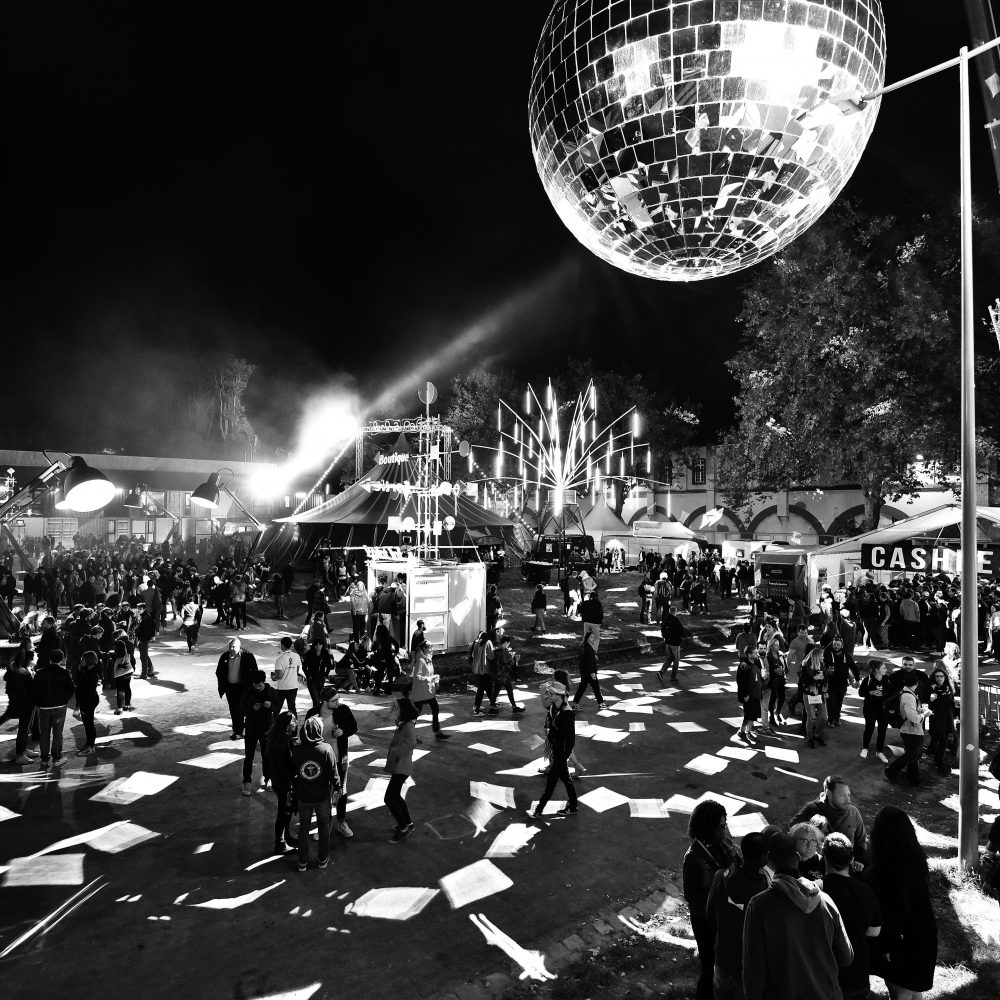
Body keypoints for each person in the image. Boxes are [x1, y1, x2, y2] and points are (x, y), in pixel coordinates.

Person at [742, 832, 853, 1000]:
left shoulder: (759, 906)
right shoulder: (825, 901)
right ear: (797, 857)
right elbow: (846, 957)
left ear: (769, 860)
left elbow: (753, 969)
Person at [863, 806, 938, 999]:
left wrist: (888, 947)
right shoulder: (918, 862)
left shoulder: (883, 872)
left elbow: (894, 913)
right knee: (914, 990)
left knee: (901, 992)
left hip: (899, 942)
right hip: (924, 935)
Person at [682, 800, 738, 1000]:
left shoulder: (724, 844)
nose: (726, 830)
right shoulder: (693, 857)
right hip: (705, 920)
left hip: (725, 914)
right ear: (709, 827)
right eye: (722, 826)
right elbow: (690, 895)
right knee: (709, 966)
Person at [705, 831, 769, 1000]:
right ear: (765, 857)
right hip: (747, 969)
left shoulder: (721, 877)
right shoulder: (764, 894)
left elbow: (710, 915)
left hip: (723, 960)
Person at [822, 832, 882, 1000]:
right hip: (858, 970)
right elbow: (874, 931)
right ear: (851, 859)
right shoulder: (866, 891)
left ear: (825, 858)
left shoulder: (820, 891)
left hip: (826, 972)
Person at [292, 714, 340, 870]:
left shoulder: (297, 749)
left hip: (303, 795)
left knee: (304, 828)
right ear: (319, 730)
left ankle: (302, 862)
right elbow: (334, 773)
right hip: (321, 797)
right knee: (323, 826)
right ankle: (322, 859)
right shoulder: (326, 749)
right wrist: (337, 788)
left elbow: (294, 771)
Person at [790, 776, 867, 864]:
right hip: (817, 866)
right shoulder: (812, 809)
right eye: (842, 795)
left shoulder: (853, 813)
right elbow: (793, 830)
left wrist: (859, 860)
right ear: (829, 793)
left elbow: (861, 840)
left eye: (848, 795)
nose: (848, 799)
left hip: (846, 865)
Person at [529, 681, 578, 818]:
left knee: (551, 782)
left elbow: (570, 739)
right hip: (557, 750)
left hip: (561, 753)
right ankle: (573, 806)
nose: (548, 696)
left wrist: (563, 756)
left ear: (559, 695)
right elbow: (550, 720)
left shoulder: (567, 714)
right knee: (566, 778)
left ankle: (539, 810)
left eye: (551, 694)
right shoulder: (554, 707)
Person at [317, 688, 359, 838]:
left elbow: (354, 727)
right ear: (325, 702)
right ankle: (326, 824)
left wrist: (343, 732)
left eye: (338, 698)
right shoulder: (315, 713)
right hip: (322, 759)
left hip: (341, 758)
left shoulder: (343, 710)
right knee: (323, 793)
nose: (338, 702)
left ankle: (341, 822)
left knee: (341, 790)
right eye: (334, 701)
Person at [884, 671, 931, 787]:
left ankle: (913, 780)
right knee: (912, 755)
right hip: (912, 731)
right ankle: (892, 771)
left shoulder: (906, 693)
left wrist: (921, 711)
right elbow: (912, 717)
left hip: (910, 730)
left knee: (914, 755)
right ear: (916, 684)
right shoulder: (909, 696)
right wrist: (924, 715)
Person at [32, 649, 76, 768]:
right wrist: (64, 699)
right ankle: (57, 758)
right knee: (57, 733)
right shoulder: (65, 672)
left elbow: (34, 690)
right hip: (60, 707)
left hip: (43, 707)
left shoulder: (40, 673)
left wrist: (38, 702)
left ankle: (44, 760)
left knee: (44, 733)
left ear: (50, 659)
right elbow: (71, 689)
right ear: (62, 659)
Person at [384, 697, 418, 843]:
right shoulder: (404, 724)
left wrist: (396, 753)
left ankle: (403, 827)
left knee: (389, 798)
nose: (394, 710)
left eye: (396, 708)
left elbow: (412, 742)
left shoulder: (408, 725)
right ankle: (408, 823)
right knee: (396, 796)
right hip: (401, 766)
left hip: (401, 767)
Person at [266, 711, 299, 854]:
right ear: (286, 725)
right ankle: (280, 844)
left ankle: (287, 837)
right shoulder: (282, 742)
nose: (296, 723)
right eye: (293, 721)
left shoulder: (280, 738)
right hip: (284, 783)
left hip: (280, 781)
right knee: (283, 812)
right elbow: (287, 765)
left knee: (286, 811)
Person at [240, 670, 275, 796]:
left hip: (266, 729)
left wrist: (270, 705)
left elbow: (277, 706)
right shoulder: (248, 692)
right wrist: (251, 708)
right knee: (249, 756)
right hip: (251, 728)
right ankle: (247, 781)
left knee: (267, 755)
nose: (258, 688)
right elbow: (241, 709)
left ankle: (268, 778)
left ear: (264, 682)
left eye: (260, 685)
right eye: (255, 685)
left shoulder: (270, 691)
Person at [215, 637, 259, 740]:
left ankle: (249, 730)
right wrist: (223, 686)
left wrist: (252, 687)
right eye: (229, 647)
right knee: (233, 710)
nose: (231, 649)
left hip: (243, 688)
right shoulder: (224, 657)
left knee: (245, 709)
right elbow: (219, 671)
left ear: (239, 647)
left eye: (233, 647)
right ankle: (237, 731)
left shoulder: (248, 656)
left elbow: (255, 672)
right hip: (230, 688)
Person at [409, 638, 451, 739]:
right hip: (420, 692)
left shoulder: (428, 660)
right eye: (430, 647)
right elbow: (417, 677)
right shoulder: (420, 660)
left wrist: (435, 680)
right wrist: (429, 679)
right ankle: (409, 735)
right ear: (424, 649)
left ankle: (437, 731)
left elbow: (429, 674)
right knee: (415, 714)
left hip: (428, 692)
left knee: (435, 708)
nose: (432, 649)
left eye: (432, 647)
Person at [6, 645, 38, 765]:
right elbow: (32, 689)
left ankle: (23, 750)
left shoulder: (15, 671)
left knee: (25, 728)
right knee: (24, 729)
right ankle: (20, 755)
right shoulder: (24, 674)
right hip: (27, 705)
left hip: (22, 703)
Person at [926, 662, 956, 775]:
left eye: (941, 676)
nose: (939, 678)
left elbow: (951, 703)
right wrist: (931, 700)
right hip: (936, 719)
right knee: (943, 742)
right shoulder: (931, 689)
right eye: (937, 676)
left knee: (942, 739)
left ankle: (932, 751)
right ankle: (939, 764)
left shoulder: (948, 689)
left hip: (947, 718)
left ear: (945, 677)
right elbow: (926, 704)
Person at [859, 658, 890, 763]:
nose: (886, 669)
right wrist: (871, 693)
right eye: (883, 668)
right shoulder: (868, 679)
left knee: (882, 730)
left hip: (883, 709)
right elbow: (861, 693)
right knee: (869, 728)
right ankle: (865, 748)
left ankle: (879, 751)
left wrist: (884, 695)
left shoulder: (887, 679)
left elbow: (890, 692)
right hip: (870, 708)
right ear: (876, 670)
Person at [823, 634, 858, 727]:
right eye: (834, 644)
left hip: (842, 684)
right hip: (830, 683)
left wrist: (857, 679)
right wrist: (826, 670)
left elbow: (854, 668)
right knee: (831, 703)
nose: (836, 646)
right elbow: (821, 666)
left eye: (838, 645)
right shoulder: (827, 654)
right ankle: (830, 719)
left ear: (842, 645)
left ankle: (837, 718)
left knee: (839, 702)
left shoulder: (846, 656)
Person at [736, 639, 767, 741]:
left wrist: (762, 677)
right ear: (749, 654)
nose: (757, 654)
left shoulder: (756, 663)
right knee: (748, 715)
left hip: (756, 694)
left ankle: (748, 731)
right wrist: (744, 695)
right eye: (755, 653)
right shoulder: (743, 666)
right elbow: (741, 682)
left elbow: (758, 676)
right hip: (748, 696)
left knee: (753, 715)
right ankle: (742, 731)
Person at [800, 647, 829, 749]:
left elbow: (825, 679)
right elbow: (802, 682)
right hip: (808, 694)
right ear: (816, 657)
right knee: (812, 718)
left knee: (824, 717)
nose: (823, 657)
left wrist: (825, 690)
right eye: (821, 656)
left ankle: (817, 734)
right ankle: (810, 738)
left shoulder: (822, 665)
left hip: (820, 694)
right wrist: (814, 678)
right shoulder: (805, 665)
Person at [271, 635, 304, 715]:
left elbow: (279, 676)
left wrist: (273, 677)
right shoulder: (297, 656)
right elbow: (296, 671)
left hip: (282, 687)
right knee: (292, 708)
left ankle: (274, 725)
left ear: (282, 646)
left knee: (277, 708)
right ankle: (294, 725)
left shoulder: (279, 659)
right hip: (293, 686)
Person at [571, 631, 605, 709]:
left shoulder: (585, 647)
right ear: (587, 639)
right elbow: (589, 663)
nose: (593, 639)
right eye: (591, 637)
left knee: (582, 688)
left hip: (585, 673)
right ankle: (601, 704)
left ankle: (575, 704)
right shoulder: (588, 649)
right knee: (596, 688)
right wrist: (592, 673)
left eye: (593, 637)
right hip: (589, 673)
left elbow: (584, 661)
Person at [470, 630, 496, 717]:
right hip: (485, 669)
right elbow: (491, 656)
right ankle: (477, 709)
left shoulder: (478, 643)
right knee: (482, 689)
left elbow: (473, 655)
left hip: (477, 669)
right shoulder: (488, 643)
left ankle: (493, 704)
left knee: (487, 687)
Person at [765, 632, 788, 726]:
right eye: (776, 645)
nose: (778, 647)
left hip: (781, 679)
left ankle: (777, 711)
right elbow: (767, 669)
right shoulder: (768, 657)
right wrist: (775, 671)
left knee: (782, 697)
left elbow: (785, 667)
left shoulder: (780, 654)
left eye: (778, 645)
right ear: (771, 646)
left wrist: (783, 669)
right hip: (773, 681)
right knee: (772, 699)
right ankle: (771, 717)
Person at [658, 605, 685, 684]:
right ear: (675, 612)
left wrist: (665, 637)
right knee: (676, 661)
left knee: (669, 659)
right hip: (675, 643)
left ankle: (661, 672)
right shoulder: (675, 620)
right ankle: (673, 678)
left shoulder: (666, 619)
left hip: (667, 642)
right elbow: (681, 631)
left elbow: (662, 629)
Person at [302, 639, 333, 709]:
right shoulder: (310, 653)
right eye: (316, 645)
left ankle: (316, 714)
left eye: (320, 645)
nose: (318, 646)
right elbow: (304, 667)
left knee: (319, 698)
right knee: (316, 699)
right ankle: (316, 715)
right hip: (312, 679)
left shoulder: (325, 653)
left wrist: (325, 674)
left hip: (321, 678)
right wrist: (308, 675)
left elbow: (329, 665)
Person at [346, 574, 369, 641]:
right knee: (356, 628)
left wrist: (366, 610)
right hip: (356, 613)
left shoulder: (365, 593)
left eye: (362, 586)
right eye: (359, 586)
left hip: (363, 613)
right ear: (357, 586)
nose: (360, 587)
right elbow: (353, 603)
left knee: (362, 628)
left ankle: (361, 641)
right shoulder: (354, 593)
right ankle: (356, 642)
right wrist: (354, 611)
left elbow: (367, 602)